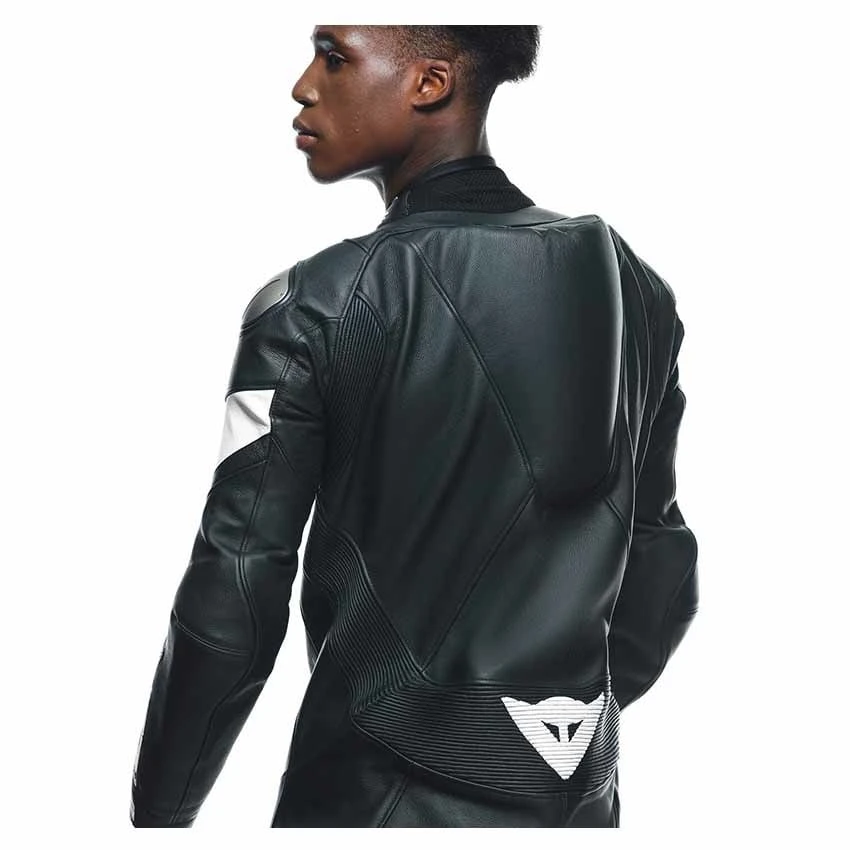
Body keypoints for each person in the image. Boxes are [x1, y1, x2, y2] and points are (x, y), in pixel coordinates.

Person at [129, 24, 699, 828]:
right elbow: (663, 572)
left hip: (372, 799)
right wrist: (541, 735)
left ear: (430, 84)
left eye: (335, 57)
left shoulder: (317, 305)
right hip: (579, 802)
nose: (304, 85)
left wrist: (159, 815)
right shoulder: (640, 292)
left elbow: (234, 594)